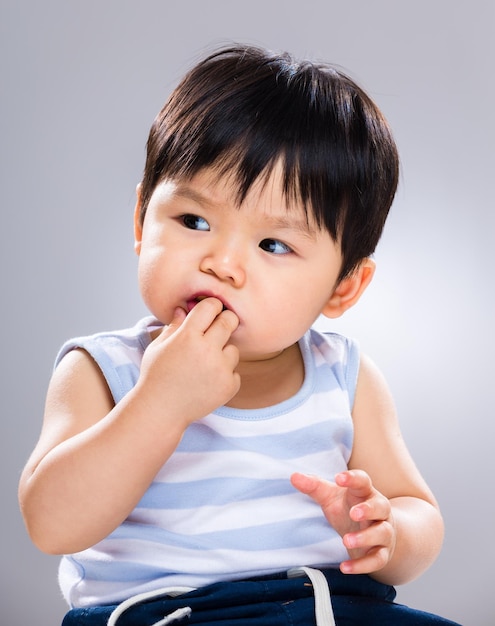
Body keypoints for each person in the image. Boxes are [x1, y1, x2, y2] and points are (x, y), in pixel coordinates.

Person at [19, 44, 461, 626]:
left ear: (343, 287)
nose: (222, 263)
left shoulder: (343, 377)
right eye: (193, 221)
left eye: (273, 244)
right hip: (164, 614)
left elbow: (418, 510)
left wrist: (386, 531)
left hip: (326, 606)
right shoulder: (104, 370)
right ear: (140, 221)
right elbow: (51, 524)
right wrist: (159, 403)